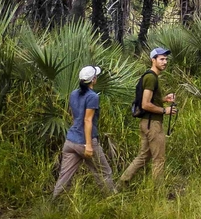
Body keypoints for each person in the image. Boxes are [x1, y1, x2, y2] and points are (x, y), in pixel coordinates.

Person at [52, 65, 116, 199]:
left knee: (65, 176)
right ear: (93, 80)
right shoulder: (92, 97)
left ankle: (53, 203)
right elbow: (87, 120)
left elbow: (76, 116)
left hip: (70, 141)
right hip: (85, 141)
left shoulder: (73, 94)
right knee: (104, 172)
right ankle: (112, 201)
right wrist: (88, 145)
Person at [119, 47, 177, 185]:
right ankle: (158, 191)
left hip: (146, 122)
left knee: (143, 156)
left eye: (166, 59)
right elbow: (145, 104)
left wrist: (163, 99)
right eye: (161, 59)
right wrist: (165, 111)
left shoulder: (150, 76)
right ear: (153, 60)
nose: (165, 62)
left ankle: (122, 183)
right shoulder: (151, 78)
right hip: (153, 124)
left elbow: (149, 101)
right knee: (159, 159)